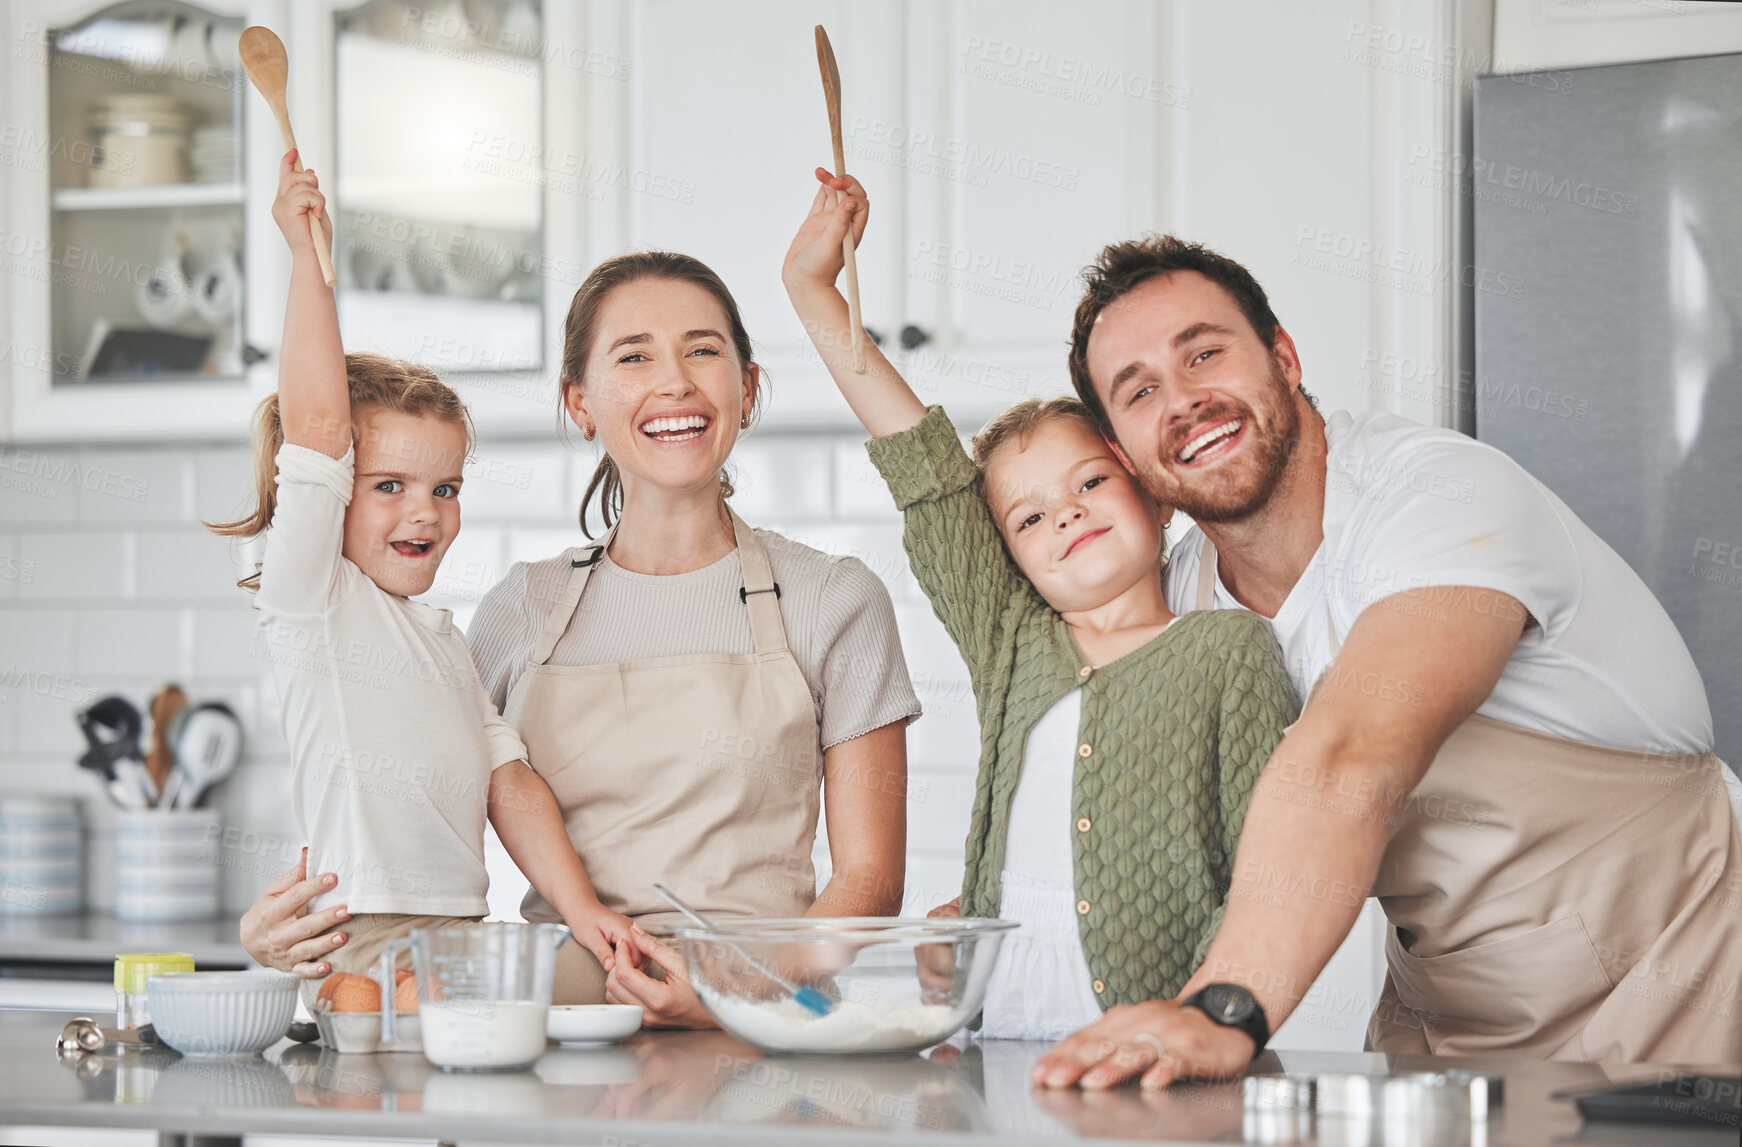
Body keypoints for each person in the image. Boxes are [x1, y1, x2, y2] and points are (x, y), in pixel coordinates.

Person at [1031, 235, 1742, 1088]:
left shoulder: (1438, 498)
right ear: (1123, 449)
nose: (1183, 401)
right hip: (1448, 1024)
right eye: (1140, 391)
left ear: (1284, 358)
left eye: (1205, 353)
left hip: (1688, 982)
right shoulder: (1180, 604)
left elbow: (1351, 756)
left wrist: (1222, 1009)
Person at [243, 248, 921, 1029]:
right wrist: (289, 933)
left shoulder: (835, 599)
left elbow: (869, 879)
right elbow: (389, 762)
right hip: (563, 1029)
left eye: (704, 350)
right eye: (634, 356)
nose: (675, 381)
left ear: (748, 385)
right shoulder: (520, 608)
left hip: (765, 1038)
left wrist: (730, 994)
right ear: (580, 401)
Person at [783, 170, 1299, 1039]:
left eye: (1090, 482)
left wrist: (1205, 1024)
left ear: (1153, 494)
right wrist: (812, 293)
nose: (1064, 514)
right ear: (1009, 561)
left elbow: (1266, 871)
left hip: (1158, 1047)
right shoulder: (1012, 641)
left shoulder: (1232, 650)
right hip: (999, 1031)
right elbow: (926, 468)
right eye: (1029, 517)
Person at [214, 152, 632, 1001]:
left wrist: (581, 907)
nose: (426, 512)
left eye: (446, 488)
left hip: (459, 934)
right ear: (332, 493)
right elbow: (322, 426)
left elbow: (508, 782)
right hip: (357, 929)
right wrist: (305, 259)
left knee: (574, 995)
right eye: (389, 486)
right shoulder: (315, 601)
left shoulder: (446, 644)